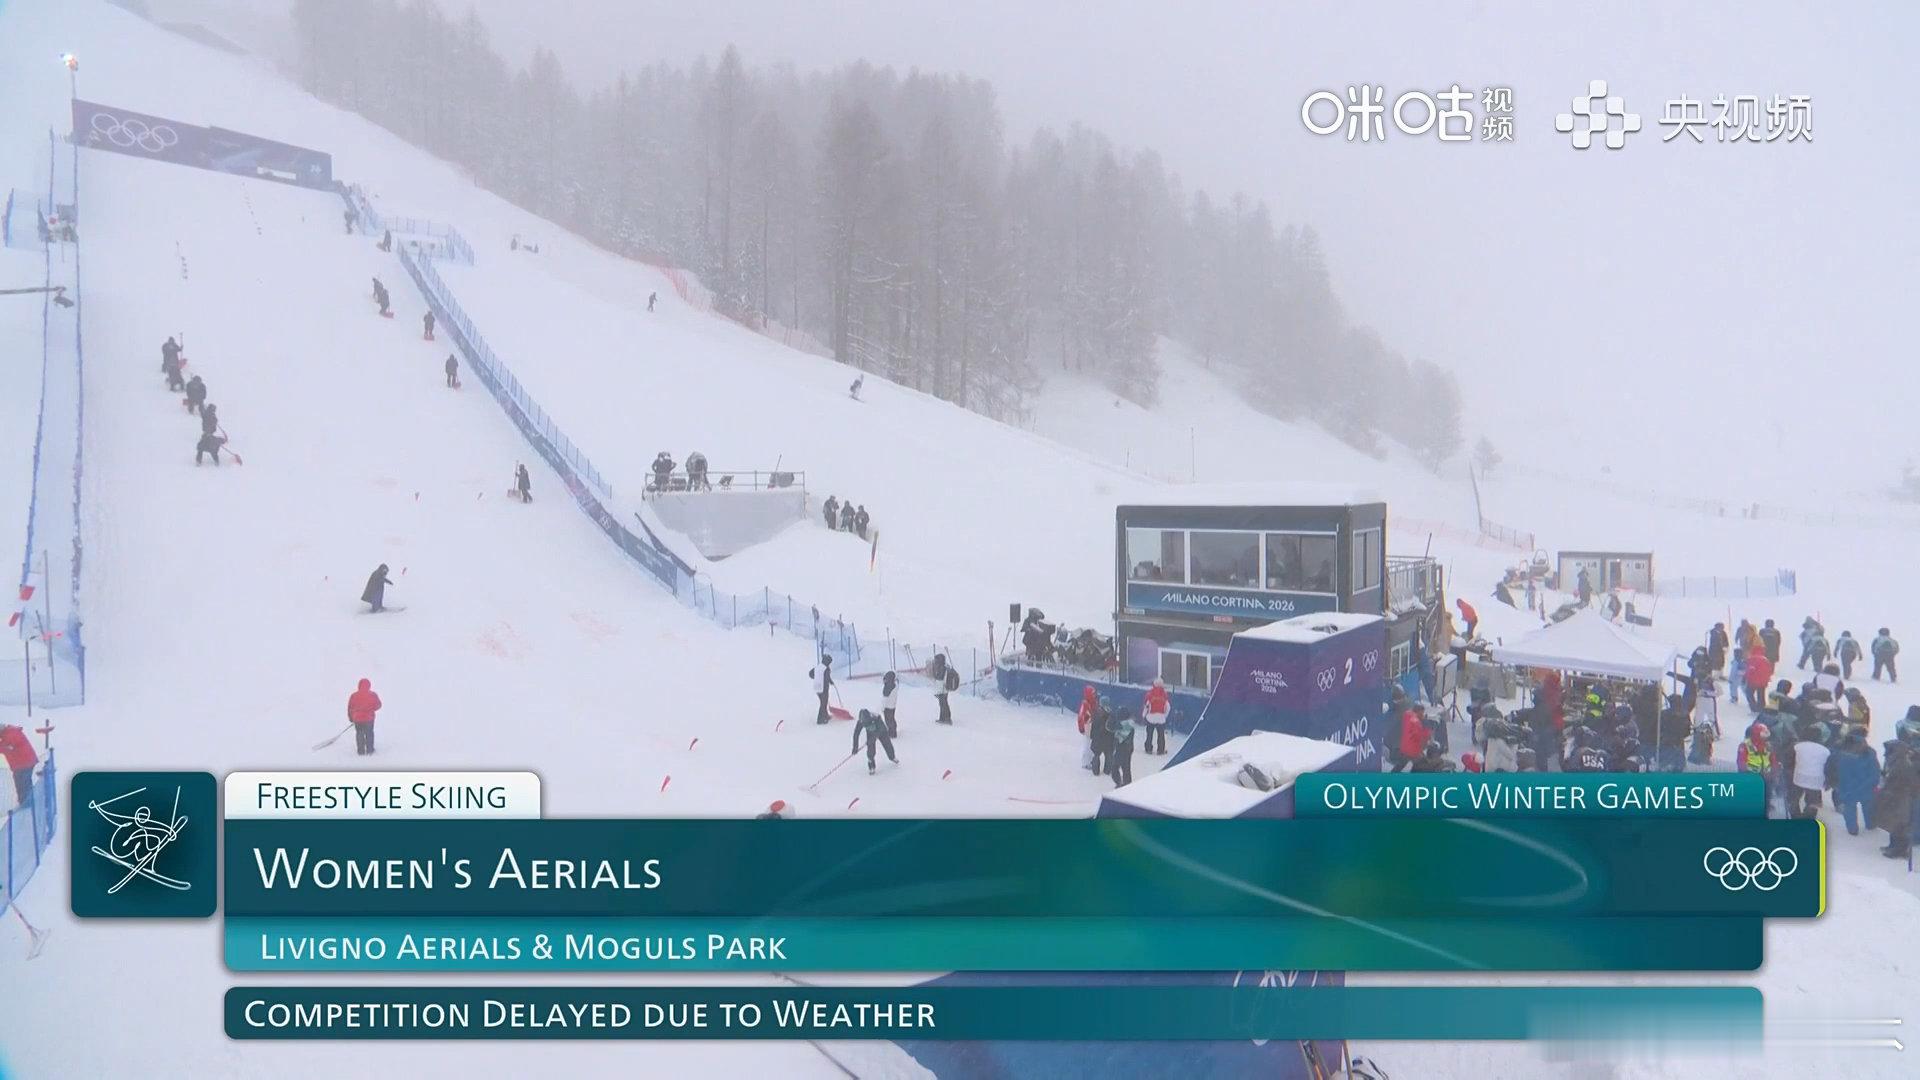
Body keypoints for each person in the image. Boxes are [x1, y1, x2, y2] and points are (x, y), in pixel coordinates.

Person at [1828, 731, 1880, 837]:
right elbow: (1875, 771)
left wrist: (1833, 781)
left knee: (1850, 808)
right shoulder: (1869, 753)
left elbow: (1832, 766)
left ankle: (1853, 829)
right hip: (1864, 786)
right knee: (1866, 806)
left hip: (1849, 786)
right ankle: (1869, 825)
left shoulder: (1841, 753)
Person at [1873, 741, 1919, 858]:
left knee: (1900, 825)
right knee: (1894, 823)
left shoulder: (1903, 764)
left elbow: (1905, 783)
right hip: (1895, 797)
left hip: (1901, 798)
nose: (1886, 753)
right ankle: (1893, 845)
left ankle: (1899, 850)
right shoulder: (1896, 762)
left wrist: (1887, 789)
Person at [1789, 727, 1831, 819]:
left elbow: (1789, 760)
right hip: (1816, 779)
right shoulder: (1825, 751)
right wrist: (1828, 781)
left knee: (1794, 798)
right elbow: (1828, 767)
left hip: (1799, 777)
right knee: (1813, 801)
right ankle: (1809, 816)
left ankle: (1795, 816)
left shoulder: (1797, 746)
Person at [1737, 722, 1775, 809]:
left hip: (1766, 777)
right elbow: (1741, 762)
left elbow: (1773, 760)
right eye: (1763, 735)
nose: (1765, 738)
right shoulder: (1745, 745)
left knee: (1766, 799)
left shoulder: (1768, 746)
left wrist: (1774, 773)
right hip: (1750, 775)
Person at [0, 722, 37, 804]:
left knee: (22, 784)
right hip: (23, 763)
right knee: (23, 783)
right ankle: (26, 802)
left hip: (24, 763)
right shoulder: (8, 733)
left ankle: (26, 804)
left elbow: (7, 747)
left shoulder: (10, 734)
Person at [852, 708, 897, 774]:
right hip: (870, 731)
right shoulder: (861, 721)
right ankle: (871, 764)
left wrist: (872, 739)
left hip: (881, 731)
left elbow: (881, 730)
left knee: (887, 744)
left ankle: (892, 757)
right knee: (870, 748)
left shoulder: (877, 717)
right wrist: (855, 747)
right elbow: (856, 734)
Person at [347, 677, 382, 755]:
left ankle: (361, 751)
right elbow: (378, 705)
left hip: (358, 719)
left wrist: (351, 718)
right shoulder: (373, 695)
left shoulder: (354, 695)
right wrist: (372, 708)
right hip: (369, 719)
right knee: (369, 733)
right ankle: (370, 750)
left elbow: (350, 708)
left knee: (359, 734)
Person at [1394, 704, 1431, 773]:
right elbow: (1419, 735)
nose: (1423, 714)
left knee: (1401, 764)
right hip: (1413, 749)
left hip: (1405, 746)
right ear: (1419, 711)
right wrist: (1426, 725)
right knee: (1422, 764)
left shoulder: (1407, 716)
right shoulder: (1416, 722)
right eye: (1422, 712)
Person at [1107, 711, 1136, 786]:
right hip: (1128, 748)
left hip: (1122, 748)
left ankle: (1119, 783)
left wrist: (1111, 719)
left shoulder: (1125, 725)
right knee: (1126, 767)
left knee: (1115, 767)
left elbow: (1110, 727)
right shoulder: (1130, 724)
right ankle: (1127, 783)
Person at [1741, 643, 1773, 711]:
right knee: (1761, 695)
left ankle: (1754, 708)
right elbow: (1769, 671)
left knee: (1749, 693)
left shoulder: (1752, 659)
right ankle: (1761, 708)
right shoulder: (1765, 659)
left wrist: (1745, 677)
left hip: (1753, 680)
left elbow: (1750, 669)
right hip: (1763, 682)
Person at [1087, 696, 1114, 775]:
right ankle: (1107, 770)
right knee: (1108, 755)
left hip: (1098, 738)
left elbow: (1094, 725)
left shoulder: (1097, 713)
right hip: (1109, 739)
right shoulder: (1111, 713)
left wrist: (1092, 735)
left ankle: (1096, 770)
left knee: (1096, 755)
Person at [933, 652, 957, 724]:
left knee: (944, 704)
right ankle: (942, 718)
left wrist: (935, 673)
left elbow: (939, 678)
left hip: (942, 689)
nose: (935, 662)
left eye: (936, 660)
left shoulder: (942, 668)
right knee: (942, 704)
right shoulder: (944, 667)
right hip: (943, 689)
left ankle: (947, 718)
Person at [811, 654, 834, 725]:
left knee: (823, 702)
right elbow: (827, 677)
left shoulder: (818, 667)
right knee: (823, 704)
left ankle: (825, 716)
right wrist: (829, 681)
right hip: (823, 689)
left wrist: (817, 678)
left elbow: (811, 674)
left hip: (817, 688)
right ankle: (820, 720)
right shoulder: (826, 669)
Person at [881, 670, 900, 737]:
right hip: (893, 705)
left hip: (888, 706)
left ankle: (892, 733)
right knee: (891, 718)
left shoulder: (888, 688)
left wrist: (882, 708)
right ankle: (893, 729)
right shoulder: (894, 685)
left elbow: (884, 699)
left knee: (888, 720)